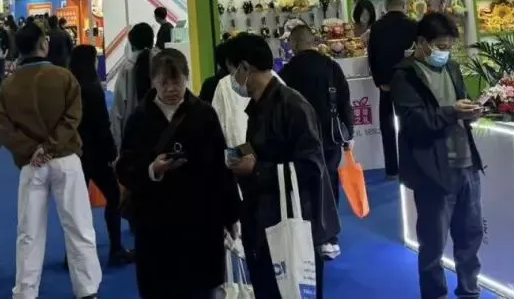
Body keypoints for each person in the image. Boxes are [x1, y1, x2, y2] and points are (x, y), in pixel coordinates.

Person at [116, 49, 240, 299]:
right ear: (153, 81)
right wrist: (152, 169)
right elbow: (125, 167)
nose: (171, 89)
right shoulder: (140, 118)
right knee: (160, 289)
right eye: (164, 83)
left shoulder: (203, 114)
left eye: (177, 82)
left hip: (200, 221)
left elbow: (220, 168)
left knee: (200, 290)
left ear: (187, 78)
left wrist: (231, 215)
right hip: (155, 223)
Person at [223, 33, 338, 299]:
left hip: (290, 224)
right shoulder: (259, 106)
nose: (232, 80)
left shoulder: (292, 105)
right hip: (263, 225)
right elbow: (267, 150)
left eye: (232, 72)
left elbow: (311, 168)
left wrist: (256, 169)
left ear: (244, 68)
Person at [0, 22, 101, 299]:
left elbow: (2, 127)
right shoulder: (65, 77)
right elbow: (73, 117)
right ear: (43, 44)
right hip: (66, 160)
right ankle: (87, 289)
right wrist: (50, 146)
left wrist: (33, 149)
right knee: (79, 227)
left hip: (32, 164)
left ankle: (26, 291)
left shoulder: (8, 85)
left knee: (28, 232)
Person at [391, 12, 484, 299]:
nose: (446, 52)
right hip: (432, 170)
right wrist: (453, 112)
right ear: (422, 43)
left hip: (466, 163)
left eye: (449, 46)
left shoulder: (452, 68)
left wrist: (471, 112)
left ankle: (469, 291)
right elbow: (414, 121)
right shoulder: (404, 76)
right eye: (441, 46)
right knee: (433, 245)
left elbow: (460, 102)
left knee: (470, 238)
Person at [279, 23, 353, 260]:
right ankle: (330, 239)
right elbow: (344, 101)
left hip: (299, 138)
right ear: (313, 41)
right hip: (330, 135)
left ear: (294, 43)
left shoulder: (287, 72)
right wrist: (349, 133)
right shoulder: (331, 66)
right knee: (330, 183)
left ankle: (307, 237)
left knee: (302, 187)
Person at [68, 44, 132, 266]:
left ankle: (73, 254)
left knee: (76, 205)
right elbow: (102, 125)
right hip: (96, 154)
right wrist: (112, 153)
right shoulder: (93, 89)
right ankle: (116, 248)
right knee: (113, 197)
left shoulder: (70, 87)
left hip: (75, 153)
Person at [367, 0, 418, 178]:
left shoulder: (377, 27)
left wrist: (380, 81)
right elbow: (419, 55)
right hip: (409, 83)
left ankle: (392, 169)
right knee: (410, 124)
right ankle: (411, 165)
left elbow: (372, 57)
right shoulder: (413, 25)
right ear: (403, 4)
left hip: (386, 84)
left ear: (385, 5)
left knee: (387, 127)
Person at [111, 23, 155, 149]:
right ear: (152, 41)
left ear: (132, 44)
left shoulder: (127, 68)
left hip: (134, 138)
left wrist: (118, 148)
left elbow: (118, 111)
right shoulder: (162, 62)